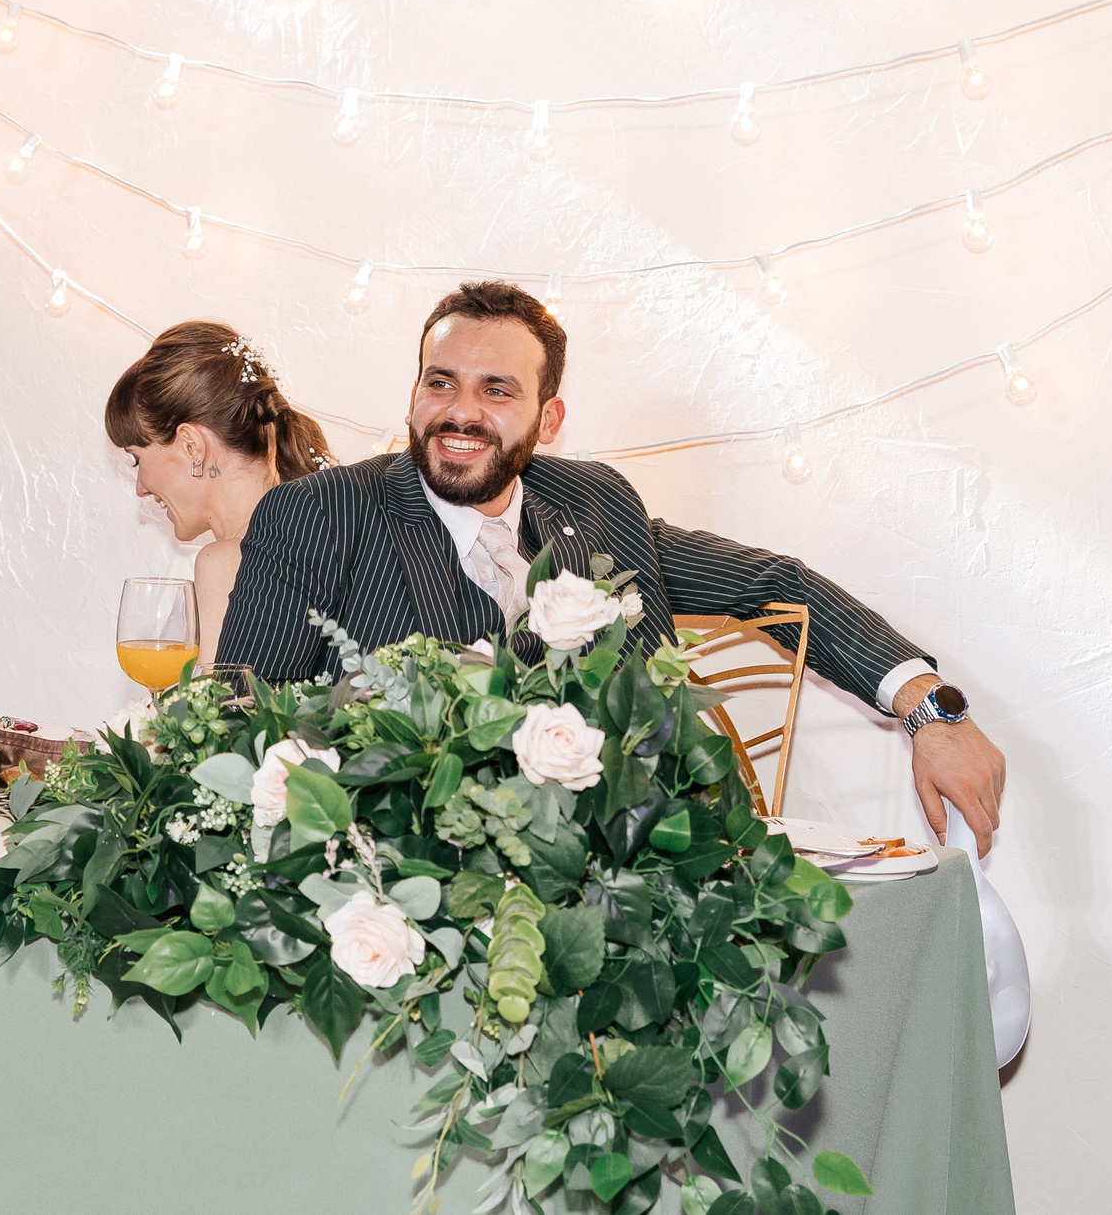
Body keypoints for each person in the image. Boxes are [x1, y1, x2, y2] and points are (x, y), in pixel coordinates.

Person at [218, 281, 1006, 845]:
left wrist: (929, 707)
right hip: (412, 888)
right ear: (413, 394)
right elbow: (237, 719)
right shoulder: (318, 513)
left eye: (497, 390)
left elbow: (773, 584)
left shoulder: (596, 502)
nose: (462, 412)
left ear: (547, 417)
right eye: (440, 382)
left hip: (640, 868)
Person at [105, 321, 334, 660]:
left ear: (192, 447)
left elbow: (212, 713)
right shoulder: (320, 538)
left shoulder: (225, 563)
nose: (140, 489)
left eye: (137, 459)